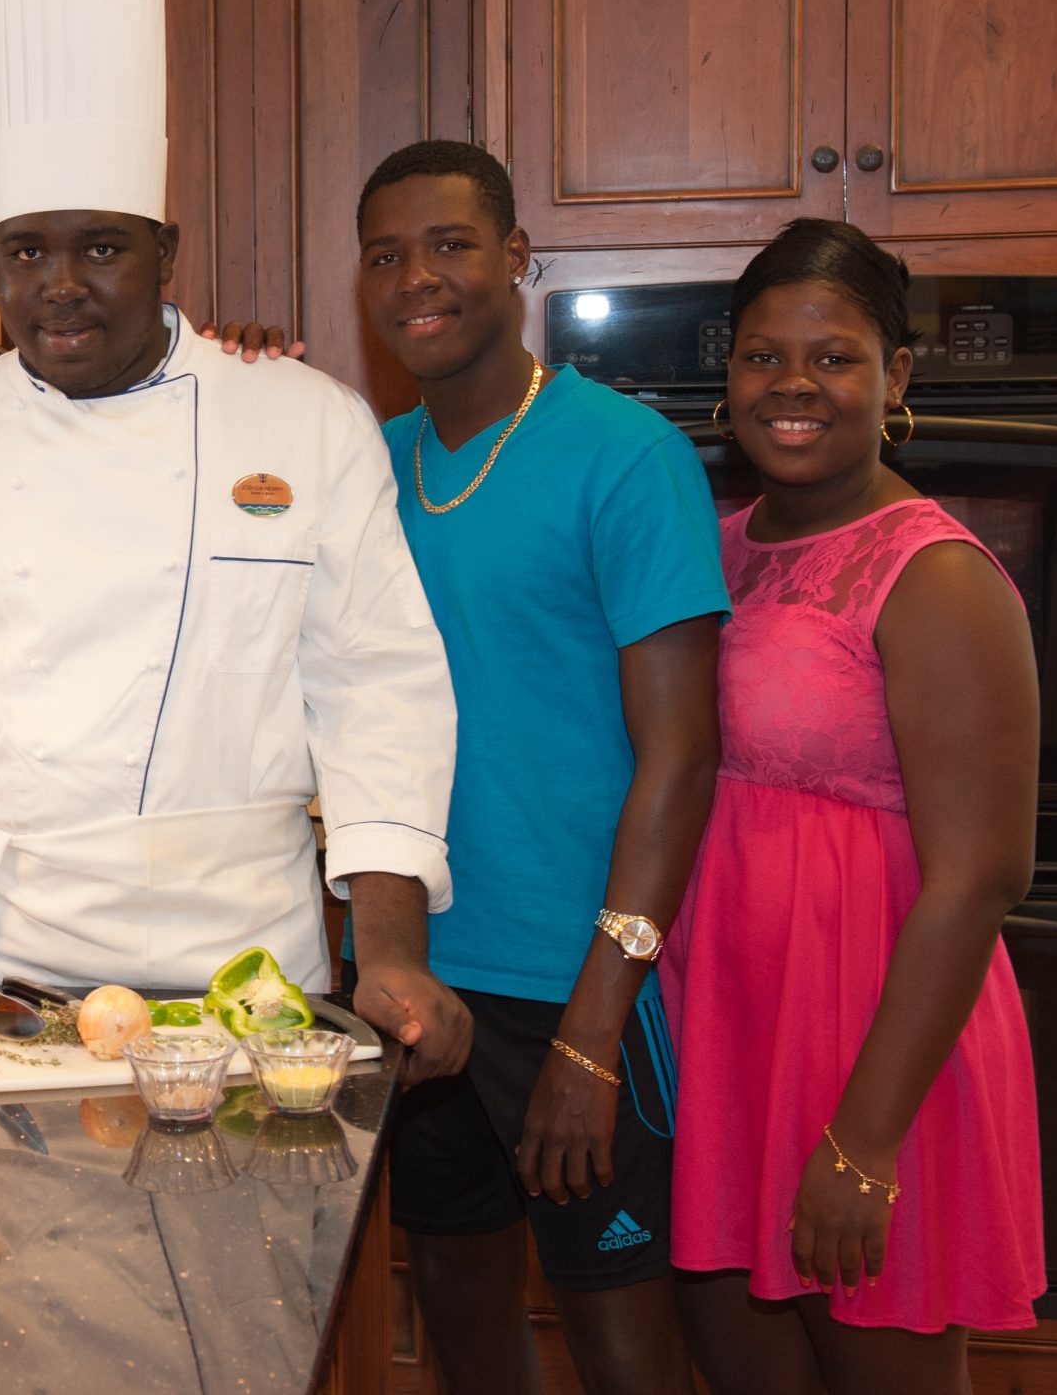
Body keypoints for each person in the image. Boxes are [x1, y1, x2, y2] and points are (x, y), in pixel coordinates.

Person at [0, 0, 470, 1078]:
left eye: (100, 247)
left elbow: (376, 690)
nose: (59, 283)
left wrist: (394, 949)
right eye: (26, 251)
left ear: (167, 250)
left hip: (245, 952)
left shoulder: (306, 424)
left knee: (254, 1247)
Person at [354, 140, 726, 1395]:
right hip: (411, 981)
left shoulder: (623, 454)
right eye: (387, 254)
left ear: (517, 259)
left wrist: (594, 1025)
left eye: (451, 245)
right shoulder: (363, 469)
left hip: (575, 982)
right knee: (462, 1322)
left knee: (622, 1345)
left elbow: (683, 752)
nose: (420, 277)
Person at [665, 220, 1044, 1395]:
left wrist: (865, 1138)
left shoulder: (933, 573)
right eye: (761, 355)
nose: (791, 386)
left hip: (874, 1042)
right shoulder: (712, 546)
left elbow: (981, 874)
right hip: (726, 1018)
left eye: (832, 357)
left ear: (897, 377)